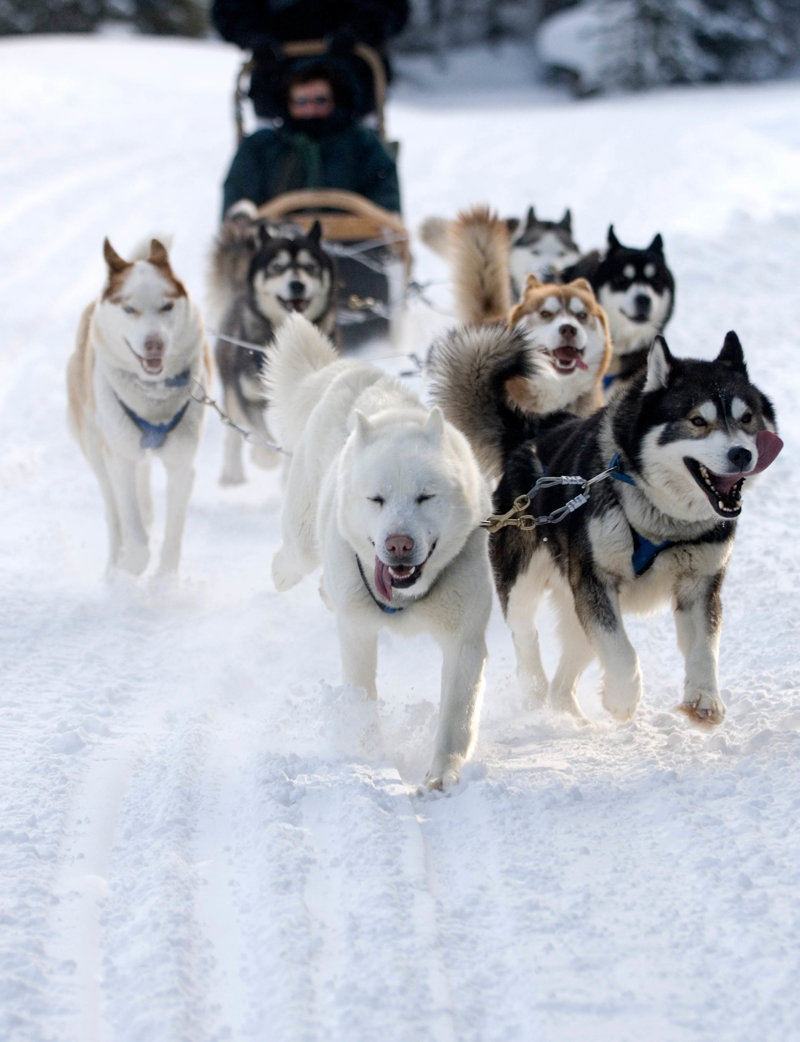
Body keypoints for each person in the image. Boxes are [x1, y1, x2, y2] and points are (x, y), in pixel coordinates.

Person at [221, 59, 401, 216]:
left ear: (334, 99)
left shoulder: (362, 143)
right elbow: (238, 200)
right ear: (288, 102)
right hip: (276, 246)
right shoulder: (261, 146)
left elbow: (385, 195)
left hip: (355, 246)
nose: (311, 109)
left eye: (320, 100)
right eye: (301, 101)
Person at [210, 0, 409, 119]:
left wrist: (361, 30)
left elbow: (392, 7)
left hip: (354, 84)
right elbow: (229, 10)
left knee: (363, 161)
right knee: (268, 164)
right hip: (276, 84)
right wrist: (252, 36)